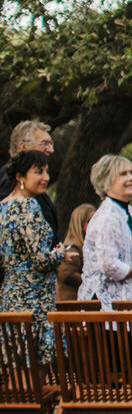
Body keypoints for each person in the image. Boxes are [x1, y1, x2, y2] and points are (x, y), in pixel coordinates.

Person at [0, 152, 65, 362]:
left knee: (16, 372)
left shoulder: (2, 206)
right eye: (39, 172)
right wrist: (59, 253)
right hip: (34, 299)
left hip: (10, 296)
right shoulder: (29, 206)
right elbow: (41, 260)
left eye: (46, 171)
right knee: (34, 380)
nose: (45, 177)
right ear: (20, 176)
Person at [79, 155, 132, 308]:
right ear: (106, 182)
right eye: (123, 174)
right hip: (105, 306)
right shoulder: (106, 217)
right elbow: (109, 266)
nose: (131, 178)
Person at [8, 121, 58, 246]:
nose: (51, 150)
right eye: (44, 144)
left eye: (51, 144)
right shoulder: (8, 182)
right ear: (23, 147)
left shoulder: (34, 185)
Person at [56, 202, 96, 303]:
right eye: (90, 221)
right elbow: (65, 274)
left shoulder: (85, 247)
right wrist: (89, 282)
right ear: (80, 224)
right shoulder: (73, 249)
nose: (94, 225)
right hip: (72, 306)